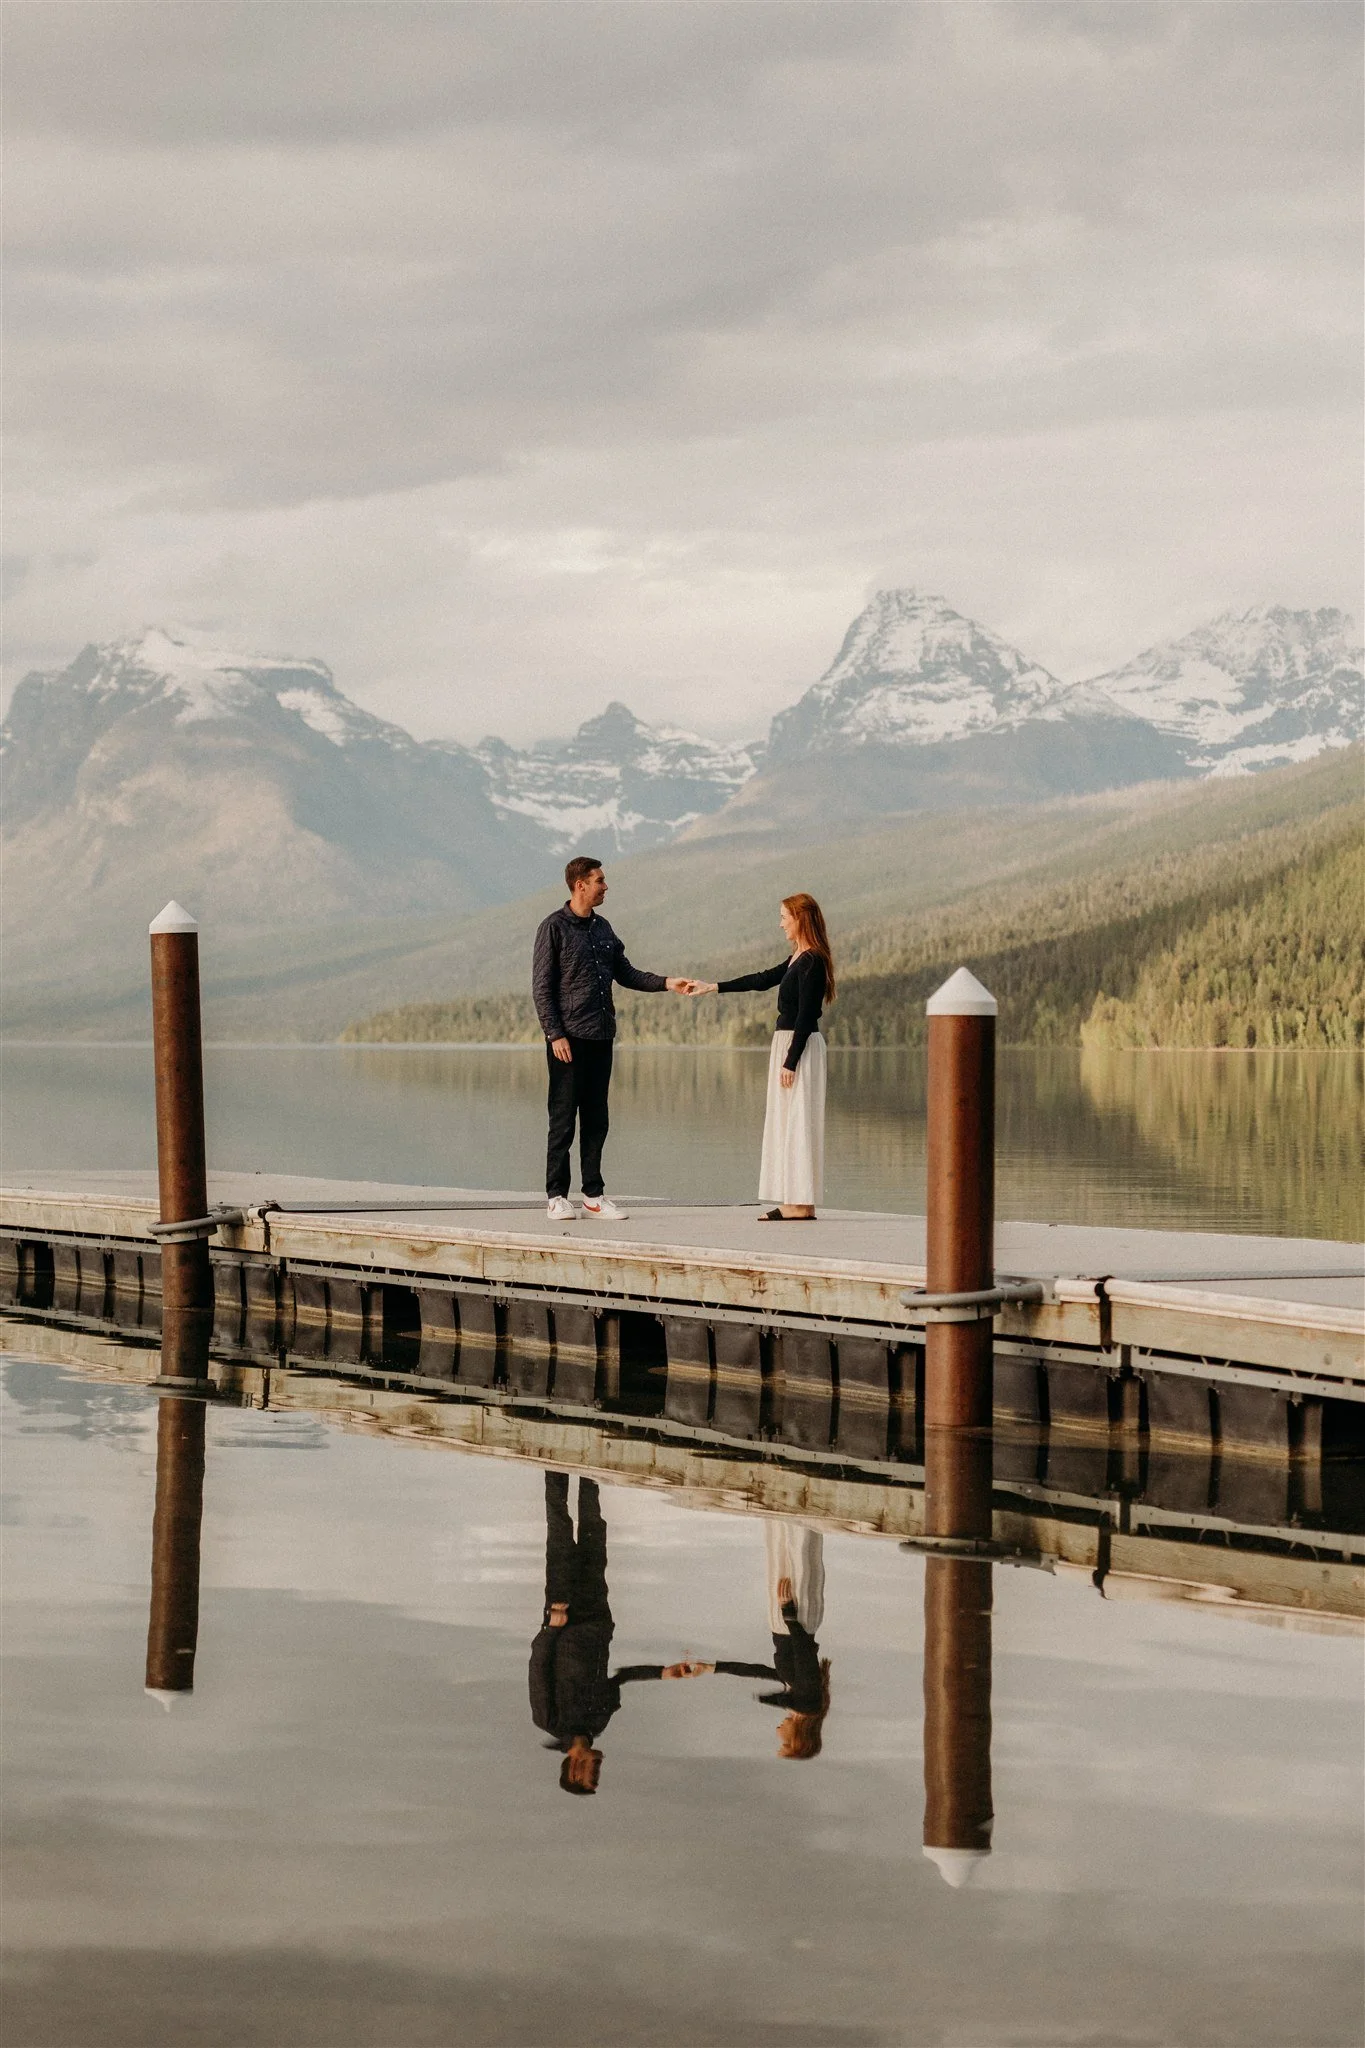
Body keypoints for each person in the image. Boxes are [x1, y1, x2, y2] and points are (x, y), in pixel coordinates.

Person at [531, 857, 692, 1222]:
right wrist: (554, 1033)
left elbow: (627, 972)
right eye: (600, 881)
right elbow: (541, 988)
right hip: (567, 1040)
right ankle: (556, 1196)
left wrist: (668, 983)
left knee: (597, 1119)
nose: (606, 887)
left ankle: (593, 1196)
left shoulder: (603, 929)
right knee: (562, 1119)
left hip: (601, 1037)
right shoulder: (553, 928)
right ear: (580, 885)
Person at [528, 1471, 697, 1795]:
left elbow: (538, 1666)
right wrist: (661, 1673)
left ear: (576, 1769)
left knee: (560, 1530)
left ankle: (554, 1465)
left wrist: (551, 1626)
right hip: (596, 1615)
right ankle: (590, 1469)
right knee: (594, 1531)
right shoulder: (598, 1724)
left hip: (562, 1613)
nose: (599, 1768)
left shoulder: (549, 1720)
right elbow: (618, 1678)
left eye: (594, 1773)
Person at [690, 893, 835, 1220]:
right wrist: (712, 986)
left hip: (798, 1046)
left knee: (798, 1121)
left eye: (784, 916)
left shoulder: (812, 960)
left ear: (800, 919)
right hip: (789, 1044)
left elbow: (807, 1015)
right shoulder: (797, 958)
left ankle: (800, 1205)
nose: (780, 923)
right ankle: (798, 1202)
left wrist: (790, 1061)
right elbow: (760, 980)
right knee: (791, 1122)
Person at [672, 1521, 834, 1761]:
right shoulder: (808, 1702)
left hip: (791, 1622)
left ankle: (785, 1517)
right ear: (797, 1737)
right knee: (795, 1555)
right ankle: (793, 1516)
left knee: (786, 1553)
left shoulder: (797, 1698)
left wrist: (713, 1667)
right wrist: (788, 1612)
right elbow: (804, 1653)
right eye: (784, 1742)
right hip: (795, 1619)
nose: (778, 1734)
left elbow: (757, 1671)